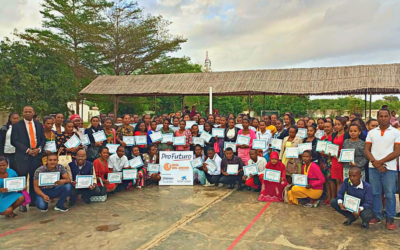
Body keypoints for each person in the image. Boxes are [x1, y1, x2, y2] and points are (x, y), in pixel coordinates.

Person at [365, 109, 400, 230]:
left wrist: (380, 162)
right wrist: (375, 163)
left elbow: (397, 151)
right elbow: (367, 150)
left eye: (386, 116)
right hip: (373, 167)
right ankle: (377, 215)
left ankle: (390, 218)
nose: (384, 118)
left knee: (389, 194)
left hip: (389, 168)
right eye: (381, 116)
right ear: (377, 117)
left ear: (390, 117)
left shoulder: (396, 132)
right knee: (375, 193)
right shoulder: (372, 132)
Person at [11, 106, 46, 210]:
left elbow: (43, 139)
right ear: (22, 113)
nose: (27, 113)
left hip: (36, 156)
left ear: (33, 112)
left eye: (29, 111)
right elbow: (14, 141)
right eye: (25, 111)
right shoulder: (17, 125)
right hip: (23, 156)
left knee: (34, 178)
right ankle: (22, 203)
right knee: (22, 179)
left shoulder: (39, 125)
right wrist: (27, 150)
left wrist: (38, 149)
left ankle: (32, 201)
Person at [320, 121, 336, 206]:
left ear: (332, 127)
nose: (326, 128)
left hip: (330, 160)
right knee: (325, 179)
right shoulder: (322, 137)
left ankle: (333, 198)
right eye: (325, 127)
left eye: (328, 126)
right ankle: (328, 197)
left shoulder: (333, 137)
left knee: (330, 180)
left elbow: (333, 149)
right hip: (323, 160)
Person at [331, 117, 347, 192]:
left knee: (343, 180)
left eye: (339, 124)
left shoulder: (346, 135)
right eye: (335, 124)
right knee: (337, 181)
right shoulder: (334, 135)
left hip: (343, 160)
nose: (336, 126)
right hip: (334, 159)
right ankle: (338, 199)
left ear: (343, 125)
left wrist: (341, 158)